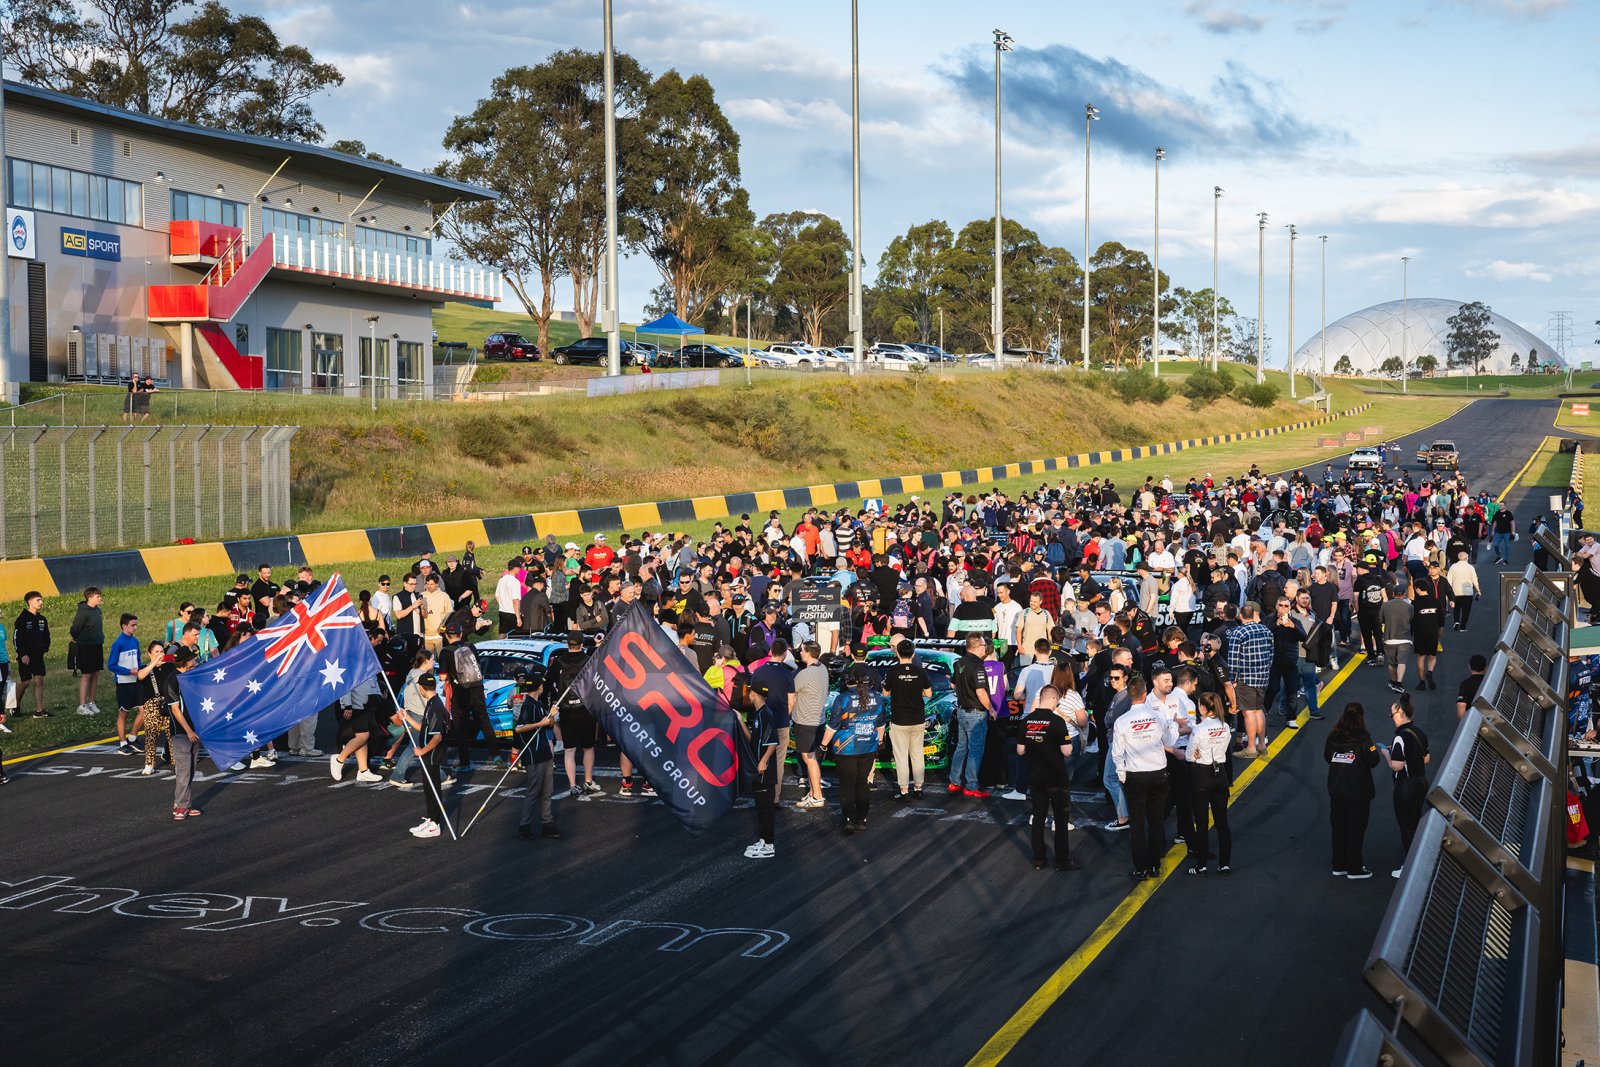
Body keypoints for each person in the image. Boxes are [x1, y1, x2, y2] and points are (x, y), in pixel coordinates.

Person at [1112, 676, 1179, 880]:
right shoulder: (1157, 717)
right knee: (1156, 821)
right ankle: (1154, 866)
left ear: (1131, 697)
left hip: (1135, 775)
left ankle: (1140, 867)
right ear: (1144, 693)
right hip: (1158, 773)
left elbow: (1117, 753)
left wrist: (1123, 776)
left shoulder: (1121, 721)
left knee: (1138, 824)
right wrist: (1173, 725)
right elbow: (1170, 740)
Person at [1017, 685, 1083, 871]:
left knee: (1038, 818)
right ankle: (1061, 860)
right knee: (1061, 821)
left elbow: (1020, 750)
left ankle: (1039, 859)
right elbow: (1067, 751)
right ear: (1053, 699)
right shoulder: (1057, 722)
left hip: (1036, 777)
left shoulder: (1026, 721)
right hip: (1056, 778)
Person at [822, 665, 887, 833]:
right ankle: (861, 819)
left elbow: (833, 726)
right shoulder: (878, 697)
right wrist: (880, 741)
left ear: (849, 681)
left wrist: (822, 745)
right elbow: (881, 723)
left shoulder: (842, 699)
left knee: (847, 784)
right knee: (862, 782)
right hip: (868, 746)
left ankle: (849, 820)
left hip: (845, 748)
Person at [1324, 701, 1381, 879]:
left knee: (1338, 827)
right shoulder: (1364, 737)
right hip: (1358, 791)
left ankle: (1339, 864)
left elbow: (1327, 757)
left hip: (1337, 789)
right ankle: (1354, 867)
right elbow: (1373, 760)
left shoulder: (1333, 735)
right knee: (1356, 830)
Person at [1185, 691, 1233, 875]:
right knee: (1222, 822)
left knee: (1202, 823)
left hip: (1201, 775)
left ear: (1204, 708)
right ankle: (1224, 863)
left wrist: (1198, 753)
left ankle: (1201, 865)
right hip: (1220, 774)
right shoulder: (1226, 727)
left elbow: (1190, 755)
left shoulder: (1199, 728)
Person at [882, 639, 933, 800]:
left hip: (899, 719)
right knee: (917, 754)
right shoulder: (920, 671)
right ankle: (918, 787)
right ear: (913, 653)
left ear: (897, 652)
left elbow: (885, 694)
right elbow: (929, 694)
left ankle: (904, 790)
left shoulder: (892, 672)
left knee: (901, 756)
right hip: (917, 718)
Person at [1386, 694, 1430, 878]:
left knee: (1406, 827)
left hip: (1405, 786)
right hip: (1421, 782)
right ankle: (1417, 860)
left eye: (1393, 715)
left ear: (1401, 713)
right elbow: (1426, 759)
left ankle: (1409, 866)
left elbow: (1396, 765)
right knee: (1414, 823)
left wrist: (1385, 754)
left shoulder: (1399, 738)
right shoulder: (1419, 732)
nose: (1392, 718)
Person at [513, 673, 561, 840]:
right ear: (539, 687)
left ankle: (547, 823)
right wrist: (540, 723)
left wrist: (552, 714)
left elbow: (549, 724)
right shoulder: (527, 705)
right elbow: (519, 728)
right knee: (534, 791)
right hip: (533, 755)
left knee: (547, 791)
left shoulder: (538, 704)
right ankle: (524, 825)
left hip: (545, 753)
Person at [1224, 601, 1273, 757]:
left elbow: (1233, 660)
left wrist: (1233, 679)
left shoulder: (1238, 633)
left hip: (1246, 678)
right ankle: (1261, 744)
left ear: (1240, 616)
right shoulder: (1266, 630)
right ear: (1253, 615)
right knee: (1259, 710)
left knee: (1248, 712)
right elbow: (1271, 654)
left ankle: (1251, 747)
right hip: (1262, 677)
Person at [948, 633, 995, 797]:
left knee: (961, 748)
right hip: (975, 713)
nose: (985, 649)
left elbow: (953, 684)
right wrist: (992, 710)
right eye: (983, 646)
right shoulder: (978, 665)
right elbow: (981, 692)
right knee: (975, 750)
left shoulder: (959, 662)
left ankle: (954, 782)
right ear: (976, 647)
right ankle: (972, 785)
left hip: (961, 710)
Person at [163, 647, 203, 821]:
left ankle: (185, 804)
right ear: (186, 661)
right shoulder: (172, 681)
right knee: (184, 771)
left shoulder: (189, 676)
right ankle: (180, 807)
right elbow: (175, 710)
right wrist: (189, 731)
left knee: (191, 769)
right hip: (181, 733)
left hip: (194, 731)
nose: (195, 660)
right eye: (192, 658)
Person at [410, 673, 448, 839]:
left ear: (421, 688)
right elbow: (423, 728)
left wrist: (422, 751)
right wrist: (407, 718)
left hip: (431, 756)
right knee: (428, 789)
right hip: (428, 756)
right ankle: (431, 819)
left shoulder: (435, 707)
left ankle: (435, 824)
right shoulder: (433, 704)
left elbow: (437, 737)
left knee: (433, 789)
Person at [330, 671, 384, 783]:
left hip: (368, 706)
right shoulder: (353, 665)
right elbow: (346, 686)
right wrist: (347, 705)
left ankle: (363, 771)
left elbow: (374, 683)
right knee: (362, 736)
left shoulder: (369, 664)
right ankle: (339, 759)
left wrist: (378, 698)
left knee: (363, 738)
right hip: (356, 706)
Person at [108, 614, 151, 754]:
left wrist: (139, 670)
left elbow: (137, 659)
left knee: (144, 709)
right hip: (124, 682)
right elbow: (111, 665)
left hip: (136, 680)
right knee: (123, 712)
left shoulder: (135, 641)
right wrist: (128, 671)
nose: (135, 627)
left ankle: (132, 737)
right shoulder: (118, 643)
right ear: (124, 626)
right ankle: (122, 742)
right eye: (133, 625)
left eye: (136, 624)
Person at [13, 591, 51, 718]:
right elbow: (17, 638)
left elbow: (47, 635)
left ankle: (39, 710)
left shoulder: (42, 619)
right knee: (26, 682)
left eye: (41, 600)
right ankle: (15, 706)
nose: (41, 602)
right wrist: (22, 654)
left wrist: (45, 648)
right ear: (30, 602)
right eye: (38, 600)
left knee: (39, 681)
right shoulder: (22, 619)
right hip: (26, 657)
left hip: (38, 656)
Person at [69, 587, 104, 716]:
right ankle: (82, 705)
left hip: (97, 645)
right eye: (97, 596)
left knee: (96, 673)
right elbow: (74, 629)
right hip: (86, 647)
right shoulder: (83, 612)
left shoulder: (98, 611)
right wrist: (81, 638)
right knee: (87, 675)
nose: (100, 598)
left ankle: (91, 702)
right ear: (90, 598)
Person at [1380, 584, 1413, 695]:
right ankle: (1399, 683)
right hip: (1405, 639)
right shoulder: (1409, 607)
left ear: (1393, 594)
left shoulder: (1385, 606)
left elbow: (1381, 620)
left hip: (1389, 638)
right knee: (1402, 662)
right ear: (1404, 595)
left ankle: (1393, 681)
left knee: (1392, 663)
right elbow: (1412, 621)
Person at [1447, 550, 1481, 632]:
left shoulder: (1453, 566)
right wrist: (1478, 590)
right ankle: (1463, 626)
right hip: (1467, 592)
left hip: (1455, 591)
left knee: (1456, 608)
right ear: (1466, 558)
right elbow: (1474, 580)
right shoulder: (1470, 567)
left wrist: (1448, 592)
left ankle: (1456, 621)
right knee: (1466, 610)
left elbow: (1449, 580)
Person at [1456, 653, 1488, 720]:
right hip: (1490, 718)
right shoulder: (1491, 682)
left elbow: (1461, 705)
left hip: (1473, 719)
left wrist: (1465, 722)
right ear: (1486, 668)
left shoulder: (1465, 684)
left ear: (1469, 667)